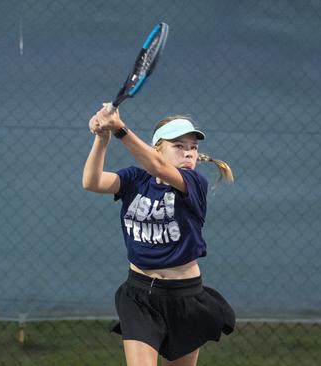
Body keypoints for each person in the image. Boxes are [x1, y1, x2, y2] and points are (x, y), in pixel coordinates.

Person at [82, 103, 236, 366]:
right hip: (139, 295)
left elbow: (159, 167)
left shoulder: (194, 183)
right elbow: (92, 181)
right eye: (179, 146)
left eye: (193, 147)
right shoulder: (135, 180)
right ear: (157, 148)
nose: (189, 153)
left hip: (185, 297)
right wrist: (102, 138)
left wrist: (120, 128)